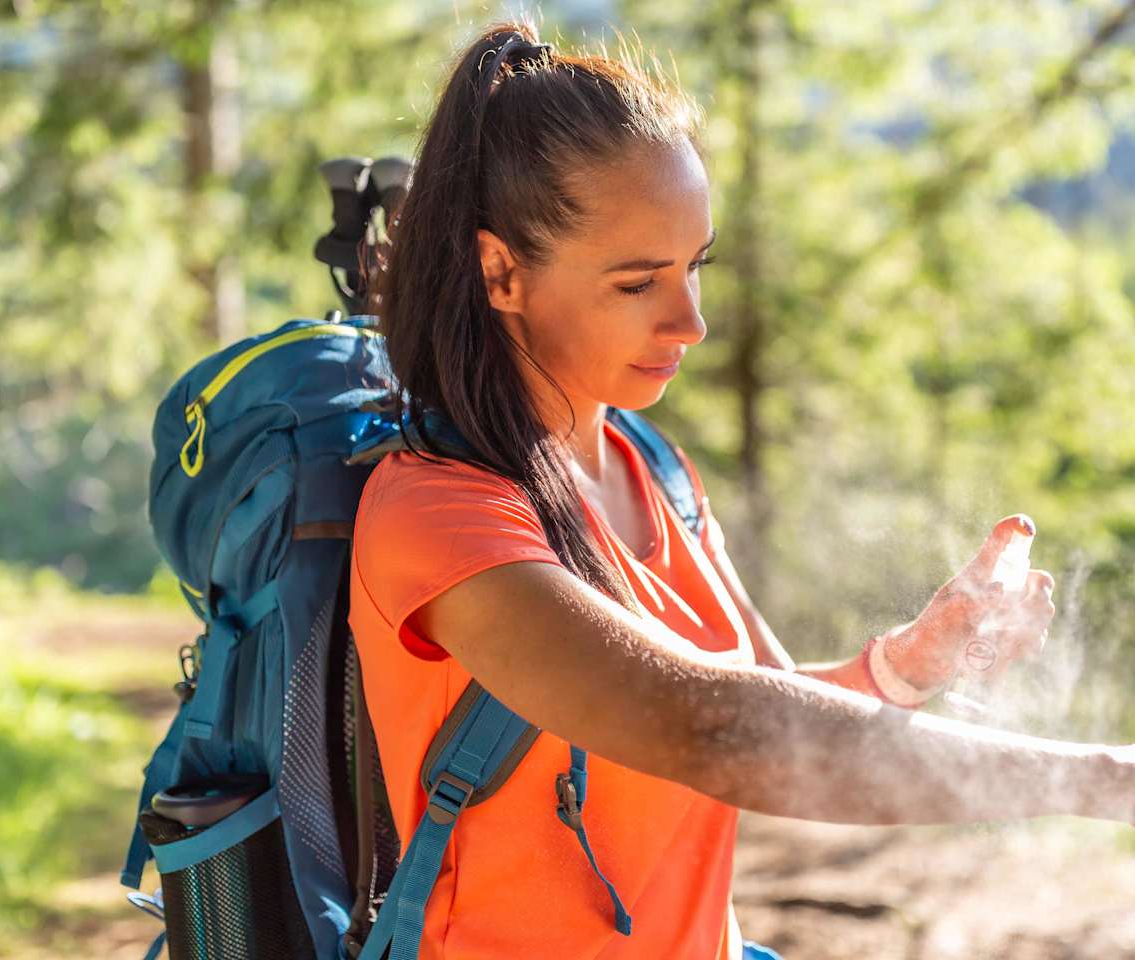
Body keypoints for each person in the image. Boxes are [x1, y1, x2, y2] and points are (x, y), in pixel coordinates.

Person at [346, 20, 1134, 960]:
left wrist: (907, 665)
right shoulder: (438, 515)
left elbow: (773, 711)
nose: (693, 321)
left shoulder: (654, 470)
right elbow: (711, 728)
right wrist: (1103, 778)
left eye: (695, 266)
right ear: (500, 271)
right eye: (640, 282)